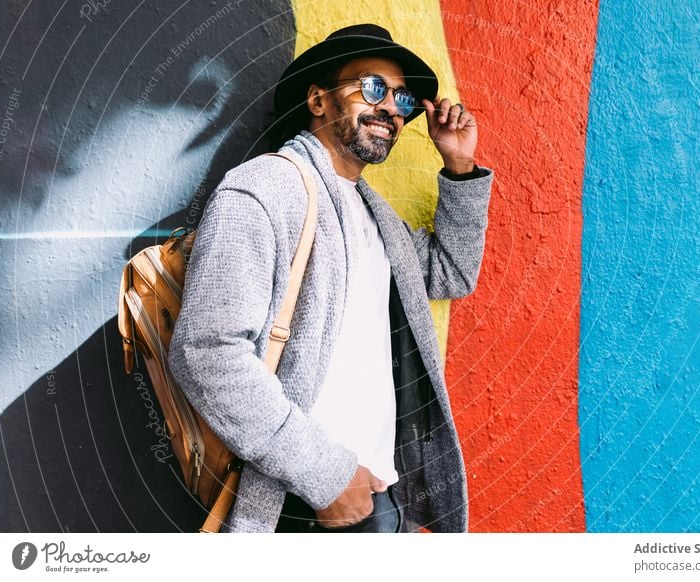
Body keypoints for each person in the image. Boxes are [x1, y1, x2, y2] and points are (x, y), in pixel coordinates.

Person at [168, 23, 493, 533]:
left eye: (403, 99)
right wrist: (325, 475)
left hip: (376, 492)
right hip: (302, 501)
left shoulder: (373, 214)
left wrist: (460, 165)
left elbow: (450, 272)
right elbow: (206, 352)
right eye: (372, 88)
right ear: (318, 100)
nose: (391, 107)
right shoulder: (263, 188)